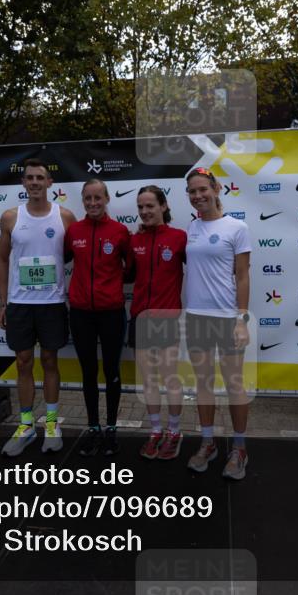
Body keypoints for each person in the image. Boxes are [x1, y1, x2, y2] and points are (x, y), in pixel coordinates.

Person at [0, 158, 76, 456]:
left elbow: (73, 256)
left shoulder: (65, 216)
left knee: (51, 362)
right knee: (23, 361)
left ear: (49, 183)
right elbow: (2, 259)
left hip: (52, 304)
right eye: (29, 178)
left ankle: (52, 424)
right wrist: (3, 301)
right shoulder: (10, 217)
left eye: (40, 178)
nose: (34, 182)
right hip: (20, 303)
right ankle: (27, 424)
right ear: (23, 183)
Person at [183, 167, 252, 479]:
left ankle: (239, 449)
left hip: (227, 319)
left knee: (235, 385)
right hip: (197, 317)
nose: (198, 196)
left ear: (215, 189)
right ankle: (208, 442)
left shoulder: (237, 227)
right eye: (193, 192)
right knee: (204, 383)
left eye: (202, 190)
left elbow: (242, 276)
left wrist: (241, 320)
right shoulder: (191, 227)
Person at [65, 179, 131, 456]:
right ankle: (93, 428)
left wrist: (112, 287)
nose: (93, 203)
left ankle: (112, 429)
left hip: (112, 313)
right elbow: (65, 259)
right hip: (81, 313)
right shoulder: (74, 231)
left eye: (97, 198)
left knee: (111, 372)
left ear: (106, 199)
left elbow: (131, 269)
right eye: (88, 199)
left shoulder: (120, 231)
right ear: (83, 201)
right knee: (89, 372)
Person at [127, 185, 187, 461]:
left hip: (167, 318)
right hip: (139, 316)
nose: (145, 211)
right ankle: (155, 430)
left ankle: (174, 432)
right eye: (140, 207)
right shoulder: (134, 241)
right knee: (148, 378)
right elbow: (127, 274)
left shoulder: (179, 238)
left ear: (163, 206)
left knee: (170, 377)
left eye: (150, 205)